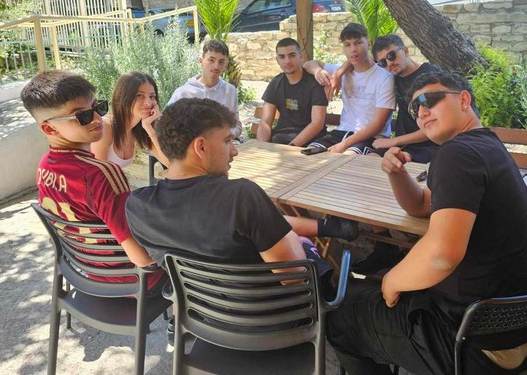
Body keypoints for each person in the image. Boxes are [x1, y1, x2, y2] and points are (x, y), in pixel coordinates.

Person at [327, 70, 527, 375]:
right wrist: (398, 175)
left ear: (464, 100)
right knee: (374, 295)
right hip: (521, 325)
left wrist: (392, 280)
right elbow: (421, 205)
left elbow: (442, 255)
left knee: (342, 318)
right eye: (415, 107)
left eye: (431, 100)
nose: (422, 112)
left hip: (473, 339)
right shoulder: (486, 146)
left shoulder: (456, 154)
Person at [126, 98, 358, 270]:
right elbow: (294, 276)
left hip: (201, 315)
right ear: (201, 147)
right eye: (228, 141)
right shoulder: (240, 197)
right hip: (271, 315)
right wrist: (295, 240)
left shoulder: (138, 206)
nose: (234, 151)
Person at [20, 70, 164, 288]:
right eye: (83, 116)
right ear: (49, 128)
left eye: (98, 107)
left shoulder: (44, 166)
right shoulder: (101, 174)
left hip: (84, 271)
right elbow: (143, 259)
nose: (97, 119)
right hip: (128, 281)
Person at [303, 23, 395, 155]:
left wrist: (344, 145)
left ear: (368, 43)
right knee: (309, 153)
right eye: (347, 45)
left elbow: (378, 124)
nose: (353, 49)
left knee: (346, 158)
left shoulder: (384, 77)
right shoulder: (342, 71)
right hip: (341, 132)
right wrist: (318, 72)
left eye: (358, 43)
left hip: (371, 137)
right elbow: (308, 64)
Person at [370, 35, 439, 164]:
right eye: (383, 62)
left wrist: (393, 141)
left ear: (405, 51)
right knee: (368, 160)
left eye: (391, 56)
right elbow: (360, 58)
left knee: (394, 164)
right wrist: (340, 72)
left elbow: (437, 126)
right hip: (402, 145)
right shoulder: (392, 77)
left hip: (429, 145)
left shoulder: (431, 76)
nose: (389, 63)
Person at [257, 37, 328, 146]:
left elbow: (317, 124)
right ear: (277, 60)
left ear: (301, 56)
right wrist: (261, 147)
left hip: (310, 142)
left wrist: (290, 148)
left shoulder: (315, 84)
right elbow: (265, 122)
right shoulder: (276, 83)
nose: (287, 61)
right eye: (282, 57)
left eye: (292, 55)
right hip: (280, 140)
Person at [168, 39, 243, 138]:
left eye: (221, 62)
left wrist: (227, 135)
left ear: (225, 65)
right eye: (211, 60)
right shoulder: (183, 93)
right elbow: (167, 124)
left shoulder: (230, 91)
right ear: (201, 61)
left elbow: (236, 125)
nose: (216, 66)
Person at [91, 72, 167, 169]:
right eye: (140, 95)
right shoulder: (105, 127)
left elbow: (169, 163)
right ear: (124, 97)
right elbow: (99, 174)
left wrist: (148, 127)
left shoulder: (137, 129)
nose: (148, 103)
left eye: (152, 96)